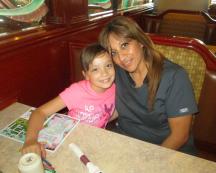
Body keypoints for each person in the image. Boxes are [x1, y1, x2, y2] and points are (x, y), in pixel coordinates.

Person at [99, 16, 198, 155]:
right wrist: (89, 121)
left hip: (166, 150)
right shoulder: (116, 71)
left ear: (140, 41)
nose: (121, 58)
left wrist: (149, 162)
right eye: (114, 52)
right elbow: (111, 107)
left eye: (124, 45)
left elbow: (179, 136)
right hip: (126, 143)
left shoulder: (175, 76)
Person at [21, 43, 116, 157]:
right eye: (95, 69)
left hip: (93, 143)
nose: (104, 73)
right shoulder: (76, 91)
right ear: (86, 75)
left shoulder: (115, 89)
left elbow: (110, 113)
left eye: (108, 65)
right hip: (68, 143)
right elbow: (40, 112)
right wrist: (30, 140)